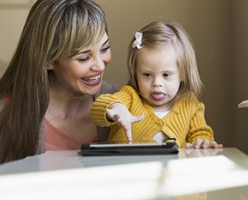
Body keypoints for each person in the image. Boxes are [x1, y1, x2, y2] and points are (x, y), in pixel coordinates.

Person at [0, 0, 118, 170]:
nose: (100, 65)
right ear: (48, 60)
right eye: (84, 57)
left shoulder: (120, 99)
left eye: (105, 48)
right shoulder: (8, 110)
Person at [91, 20, 223, 149]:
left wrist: (202, 142)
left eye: (166, 75)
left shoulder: (190, 104)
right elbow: (100, 107)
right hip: (128, 169)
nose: (156, 84)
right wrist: (116, 109)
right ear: (136, 73)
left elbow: (200, 133)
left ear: (183, 73)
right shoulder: (130, 97)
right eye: (147, 75)